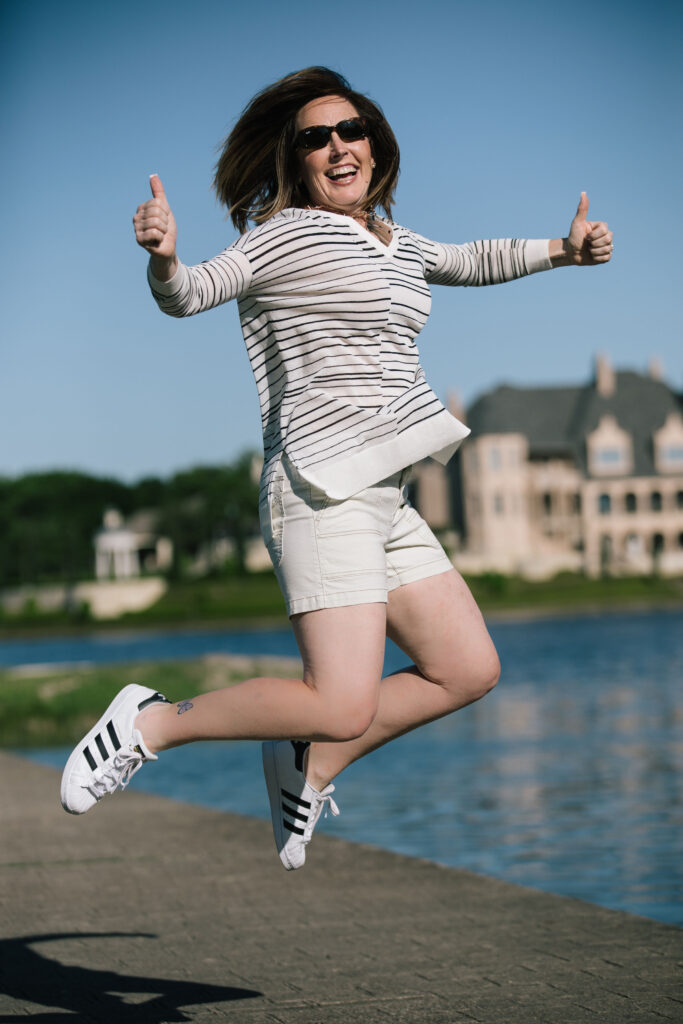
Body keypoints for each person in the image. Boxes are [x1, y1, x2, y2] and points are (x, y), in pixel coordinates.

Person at [61, 67, 613, 870]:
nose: (337, 146)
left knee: (466, 669)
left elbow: (470, 258)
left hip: (384, 492)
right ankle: (147, 723)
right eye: (315, 138)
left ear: (374, 146)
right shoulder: (282, 234)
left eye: (350, 130)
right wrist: (164, 259)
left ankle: (309, 761)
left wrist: (561, 251)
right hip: (318, 488)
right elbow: (192, 293)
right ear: (297, 160)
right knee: (341, 700)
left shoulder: (392, 240)